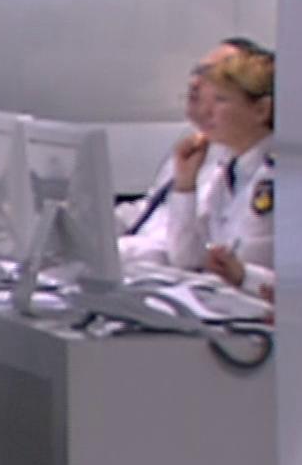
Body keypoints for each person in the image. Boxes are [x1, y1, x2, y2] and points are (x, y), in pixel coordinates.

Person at [115, 38, 255, 262]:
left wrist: (116, 251)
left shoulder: (232, 161)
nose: (196, 82)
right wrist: (97, 224)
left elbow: (180, 249)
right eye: (197, 71)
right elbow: (151, 209)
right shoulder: (192, 140)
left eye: (212, 75)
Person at [165, 48, 276, 298]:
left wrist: (243, 276)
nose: (205, 112)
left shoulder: (278, 176)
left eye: (221, 100)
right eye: (206, 100)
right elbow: (185, 258)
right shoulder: (225, 169)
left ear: (261, 110)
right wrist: (185, 185)